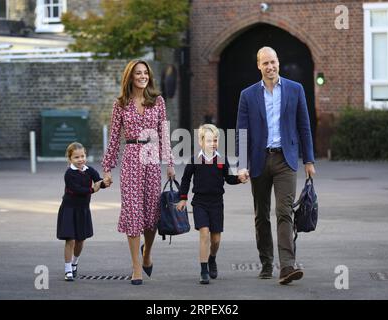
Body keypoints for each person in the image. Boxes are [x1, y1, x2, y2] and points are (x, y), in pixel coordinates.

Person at [236, 47, 316, 285]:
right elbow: (241, 133)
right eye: (265, 63)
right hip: (259, 160)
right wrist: (241, 165)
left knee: (284, 211)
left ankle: (287, 267)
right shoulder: (247, 95)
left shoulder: (295, 89)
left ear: (278, 63)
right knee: (261, 215)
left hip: (286, 160)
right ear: (258, 66)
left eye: (273, 62)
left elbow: (304, 126)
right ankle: (267, 262)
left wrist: (309, 160)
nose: (270, 67)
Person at [102, 60, 175, 285]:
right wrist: (107, 168)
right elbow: (114, 137)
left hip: (152, 157)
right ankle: (136, 267)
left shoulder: (158, 101)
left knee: (152, 216)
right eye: (138, 73)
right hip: (132, 157)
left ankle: (147, 254)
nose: (142, 76)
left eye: (145, 73)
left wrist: (169, 163)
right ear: (130, 78)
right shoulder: (120, 104)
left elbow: (164, 133)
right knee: (133, 214)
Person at [176, 124, 248, 284]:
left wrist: (239, 178)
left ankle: (212, 258)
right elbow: (186, 179)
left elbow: (229, 179)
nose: (213, 144)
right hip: (200, 203)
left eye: (215, 140)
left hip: (216, 203)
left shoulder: (221, 160)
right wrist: (183, 198)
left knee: (215, 239)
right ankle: (203, 271)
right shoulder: (195, 160)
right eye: (209, 141)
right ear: (201, 142)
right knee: (204, 232)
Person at [56, 142, 110, 281]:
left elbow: (98, 181)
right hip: (69, 209)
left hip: (83, 210)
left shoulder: (89, 170)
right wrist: (93, 189)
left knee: (80, 240)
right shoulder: (69, 174)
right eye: (76, 157)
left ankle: (74, 263)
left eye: (82, 156)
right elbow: (76, 190)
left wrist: (105, 182)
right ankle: (67, 269)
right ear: (70, 159)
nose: (80, 159)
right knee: (70, 240)